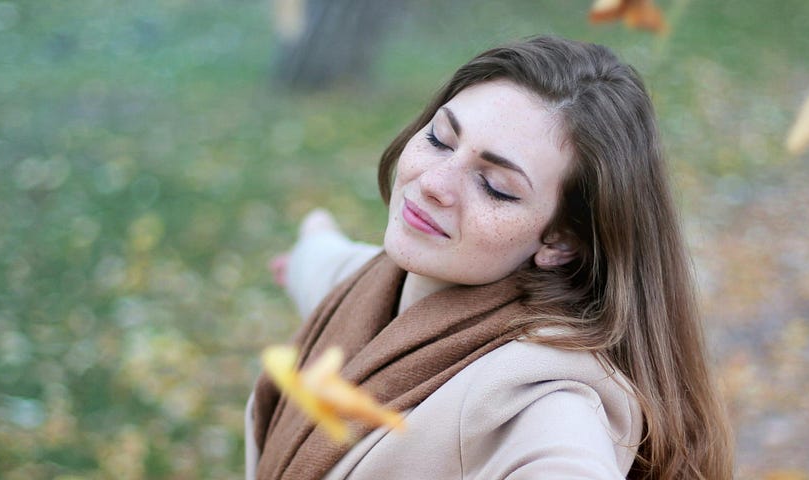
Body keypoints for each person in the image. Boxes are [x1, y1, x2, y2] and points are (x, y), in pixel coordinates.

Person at [247, 36, 732, 479]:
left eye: (495, 186)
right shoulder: (372, 283)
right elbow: (334, 267)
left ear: (560, 242)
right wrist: (310, 242)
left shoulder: (538, 397)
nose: (434, 184)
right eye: (440, 138)